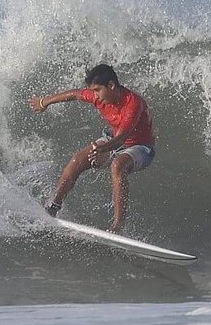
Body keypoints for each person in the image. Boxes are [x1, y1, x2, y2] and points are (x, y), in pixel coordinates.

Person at [28, 63, 155, 232]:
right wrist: (44, 102)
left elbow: (122, 137)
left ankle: (117, 226)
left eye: (97, 90)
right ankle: (52, 208)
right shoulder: (98, 96)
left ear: (111, 85)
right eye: (93, 91)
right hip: (111, 140)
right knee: (77, 160)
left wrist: (102, 149)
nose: (95, 95)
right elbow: (74, 94)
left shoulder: (133, 103)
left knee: (118, 165)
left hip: (140, 148)